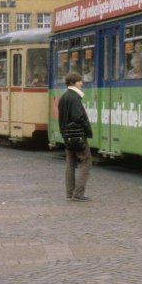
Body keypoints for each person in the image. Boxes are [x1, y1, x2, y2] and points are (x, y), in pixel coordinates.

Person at [58, 71, 93, 202]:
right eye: (80, 81)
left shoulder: (64, 97)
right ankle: (79, 193)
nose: (82, 83)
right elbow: (78, 117)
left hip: (67, 136)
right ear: (74, 83)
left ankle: (70, 192)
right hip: (78, 136)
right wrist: (86, 128)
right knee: (86, 161)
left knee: (70, 164)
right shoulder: (75, 98)